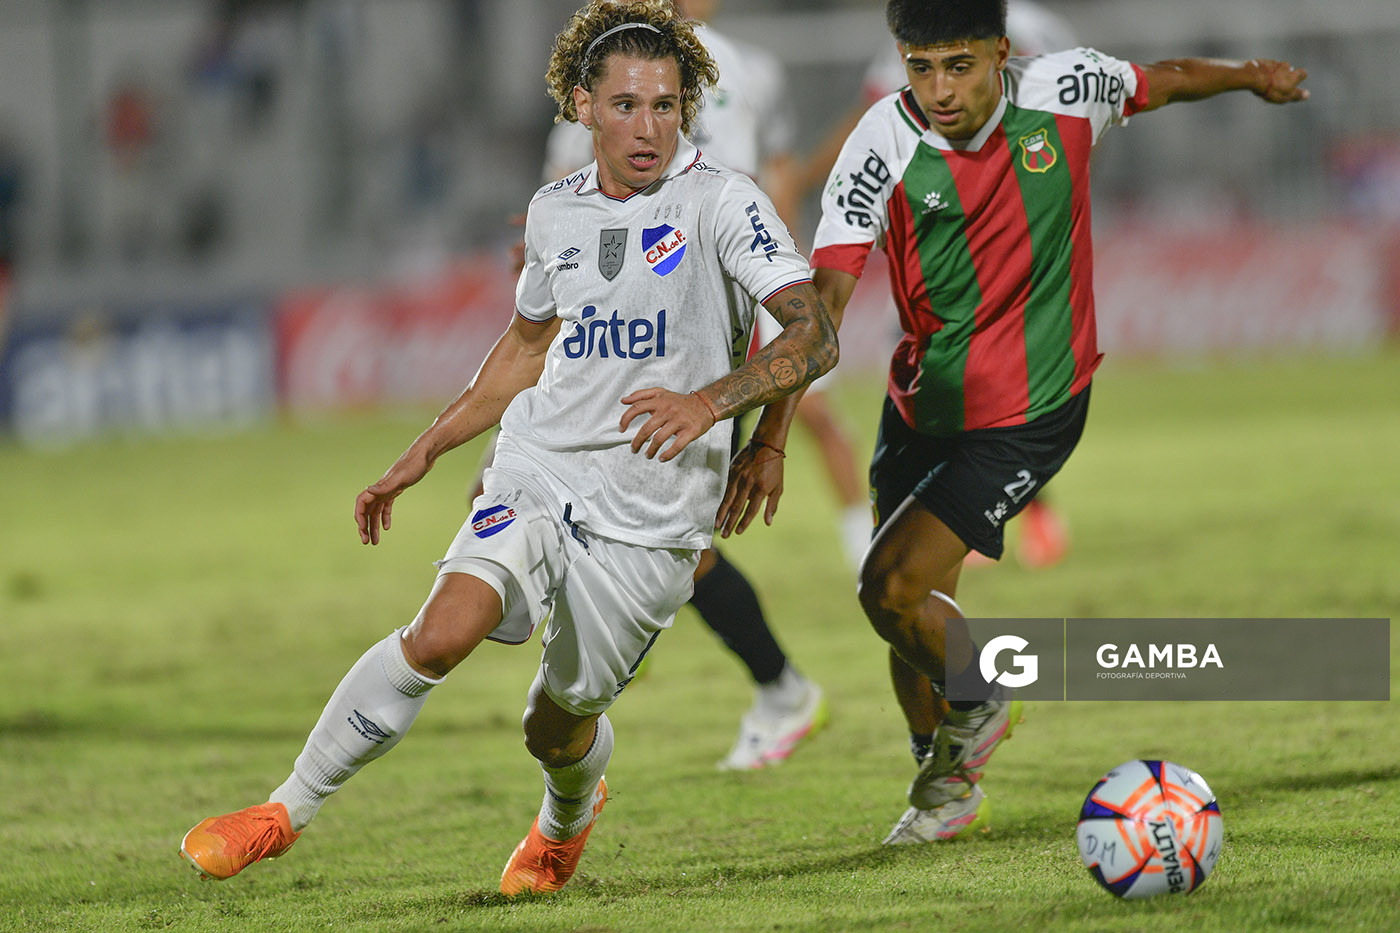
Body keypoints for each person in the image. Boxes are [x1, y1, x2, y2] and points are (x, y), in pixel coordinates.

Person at [179, 0, 837, 895]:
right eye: (626, 106)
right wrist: (429, 447)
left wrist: (721, 408)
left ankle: (567, 816)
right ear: (580, 105)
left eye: (667, 106)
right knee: (442, 633)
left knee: (555, 726)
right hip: (543, 463)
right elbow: (527, 347)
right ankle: (283, 810)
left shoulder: (723, 202)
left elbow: (813, 335)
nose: (649, 128)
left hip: (652, 515)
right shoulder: (554, 212)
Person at [775, 0, 1307, 845]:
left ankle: (982, 702)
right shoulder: (880, 144)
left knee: (891, 586)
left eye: (959, 65)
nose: (939, 89)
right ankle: (941, 779)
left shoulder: (1066, 88)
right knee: (904, 606)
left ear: (1001, 52)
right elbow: (827, 296)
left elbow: (1163, 82)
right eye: (920, 68)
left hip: (1033, 406)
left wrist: (1249, 77)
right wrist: (773, 420)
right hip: (921, 399)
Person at [524, 0, 838, 772]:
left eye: (663, 106)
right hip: (616, 347)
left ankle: (776, 682)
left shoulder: (752, 74)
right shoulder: (594, 91)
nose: (648, 120)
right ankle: (736, 674)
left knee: (668, 534)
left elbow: (778, 189)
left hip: (704, 328)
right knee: (637, 532)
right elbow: (560, 238)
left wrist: (768, 373)